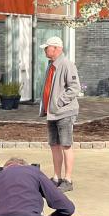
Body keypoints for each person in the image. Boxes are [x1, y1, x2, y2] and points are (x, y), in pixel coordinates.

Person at [38, 36, 80, 191]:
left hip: (64, 113)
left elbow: (74, 87)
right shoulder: (51, 65)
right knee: (54, 145)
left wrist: (59, 102)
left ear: (56, 48)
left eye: (47, 47)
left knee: (66, 145)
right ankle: (57, 177)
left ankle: (68, 180)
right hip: (52, 113)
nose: (44, 50)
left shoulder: (67, 65)